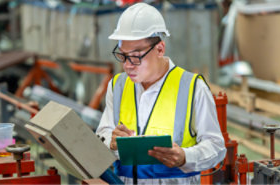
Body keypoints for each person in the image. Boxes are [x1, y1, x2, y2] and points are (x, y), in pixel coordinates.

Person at [95, 3, 226, 185]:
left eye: (135, 56)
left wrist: (184, 157)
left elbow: (216, 147)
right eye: (123, 55)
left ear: (160, 49)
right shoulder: (117, 86)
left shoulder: (192, 87)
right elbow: (102, 134)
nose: (127, 65)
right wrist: (111, 141)